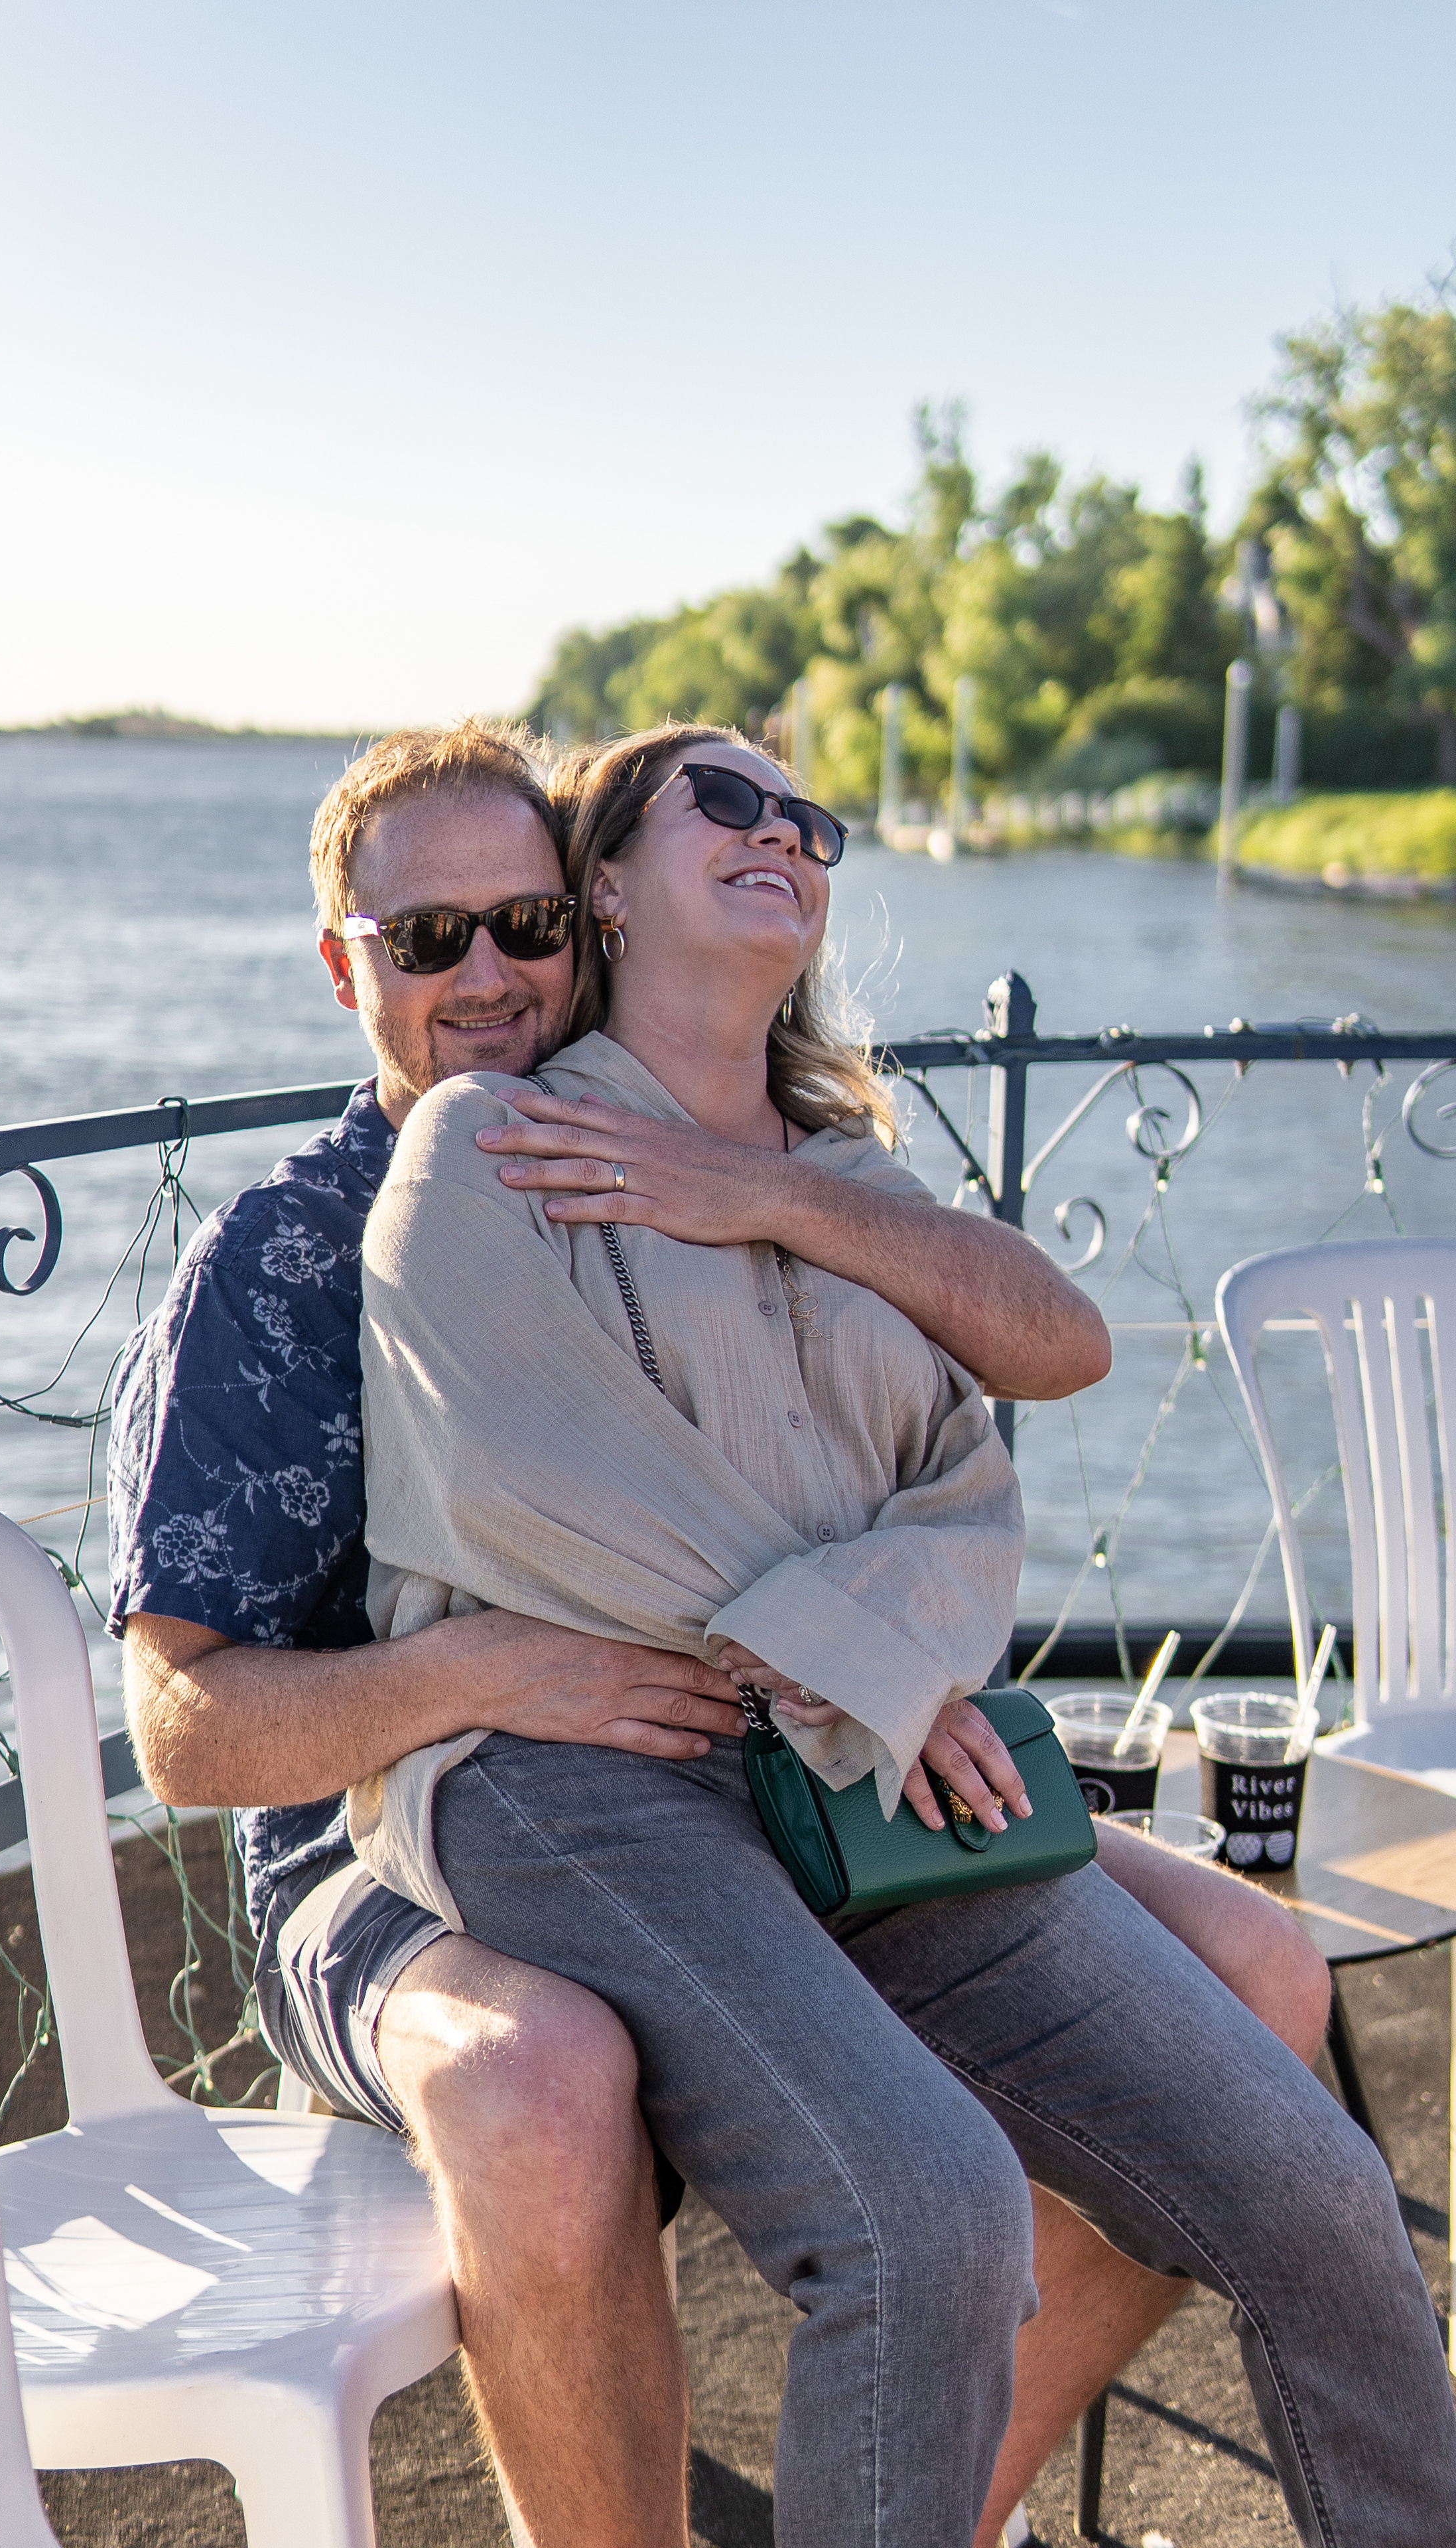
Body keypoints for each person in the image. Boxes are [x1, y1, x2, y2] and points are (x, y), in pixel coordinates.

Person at [111, 720, 1333, 2548]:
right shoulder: (293, 1255)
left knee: (1263, 1977)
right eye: (427, 941)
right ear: (343, 965)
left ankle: (897, 2506)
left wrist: (875, 1648)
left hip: (778, 1778)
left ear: (589, 916)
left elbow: (1032, 1367)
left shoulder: (736, 1153)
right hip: (391, 1857)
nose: (490, 976)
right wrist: (474, 1674)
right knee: (544, 2083)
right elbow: (188, 1739)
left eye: (522, 923)